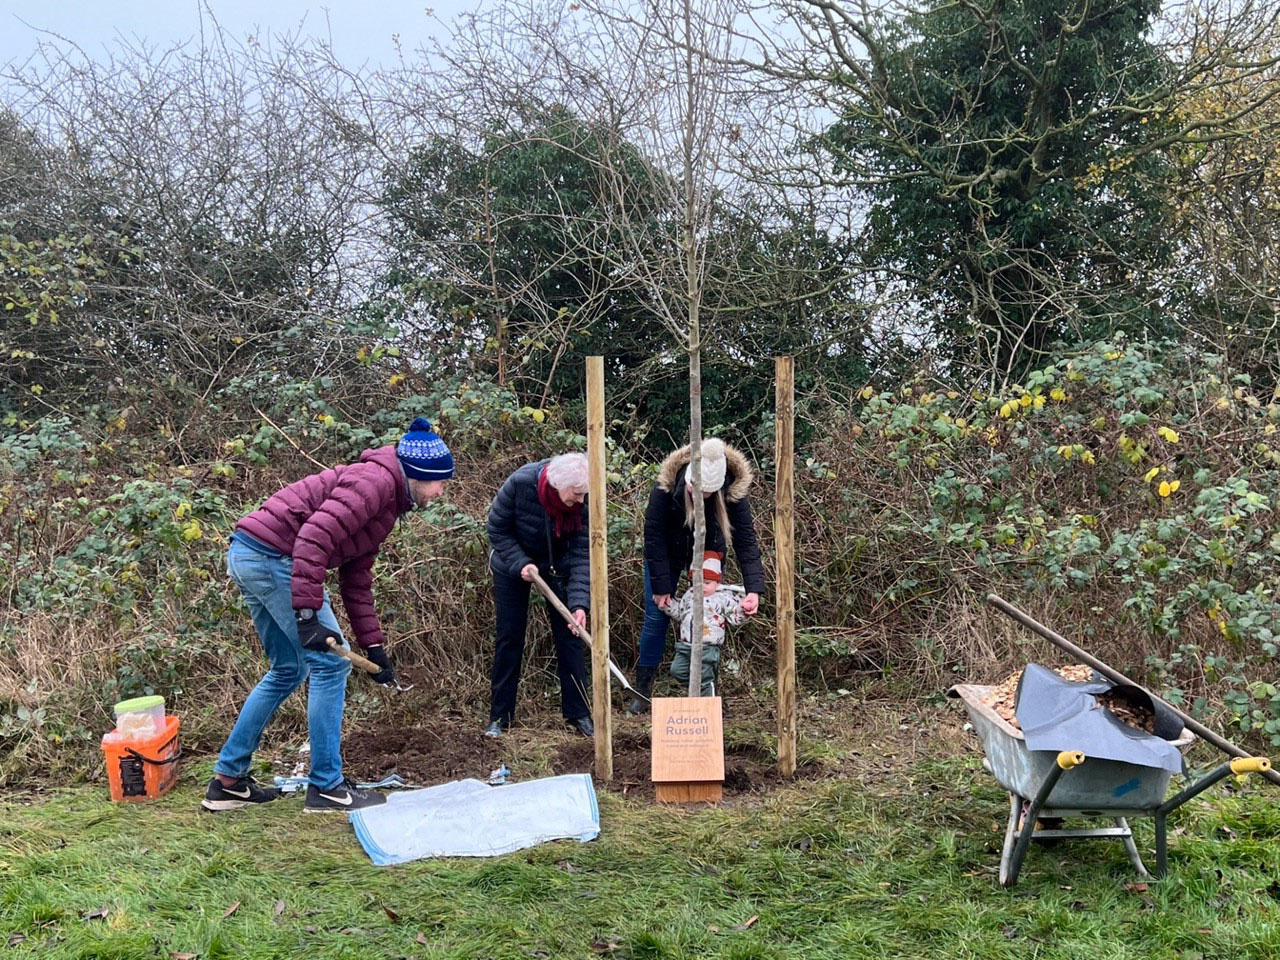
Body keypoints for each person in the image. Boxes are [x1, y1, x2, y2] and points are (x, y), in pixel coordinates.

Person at [201, 418, 453, 813]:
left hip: (250, 554)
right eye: (440, 483)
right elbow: (313, 538)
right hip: (272, 557)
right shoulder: (375, 483)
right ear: (420, 476)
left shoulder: (387, 500)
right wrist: (306, 614)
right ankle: (327, 787)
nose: (441, 492)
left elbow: (356, 577)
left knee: (288, 668)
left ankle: (228, 781)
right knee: (330, 667)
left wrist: (374, 646)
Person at [630, 437, 765, 713]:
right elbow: (653, 537)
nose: (694, 492)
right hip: (666, 555)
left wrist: (754, 589)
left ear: (715, 490)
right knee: (657, 617)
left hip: (708, 559)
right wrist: (661, 584)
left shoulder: (732, 494)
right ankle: (642, 692)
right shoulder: (667, 487)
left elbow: (746, 541)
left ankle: (708, 694)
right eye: (692, 486)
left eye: (702, 491)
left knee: (709, 617)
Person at [485, 453, 594, 737]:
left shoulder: (582, 500)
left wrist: (580, 603)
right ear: (558, 485)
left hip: (558, 565)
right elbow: (497, 528)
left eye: (585, 494)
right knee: (510, 636)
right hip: (512, 562)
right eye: (577, 494)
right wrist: (520, 562)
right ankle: (500, 715)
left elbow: (582, 552)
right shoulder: (522, 483)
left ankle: (579, 712)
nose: (581, 500)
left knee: (571, 632)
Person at [662, 551, 747, 696]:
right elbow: (681, 613)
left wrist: (745, 611)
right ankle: (698, 693)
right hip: (686, 645)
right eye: (697, 581)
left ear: (717, 582)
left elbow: (735, 617)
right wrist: (667, 606)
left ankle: (708, 707)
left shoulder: (723, 598)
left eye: (707, 583)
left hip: (708, 647)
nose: (701, 586)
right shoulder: (689, 595)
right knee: (677, 671)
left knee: (704, 678)